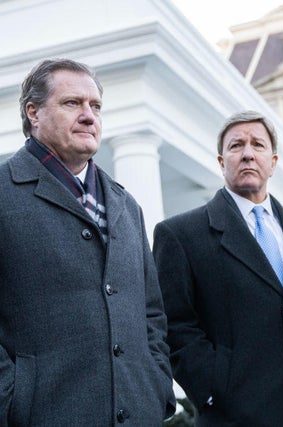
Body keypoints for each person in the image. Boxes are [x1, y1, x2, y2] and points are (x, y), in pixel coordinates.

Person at [152, 110, 283, 426]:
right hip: (237, 415)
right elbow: (175, 325)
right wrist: (211, 388)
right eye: (236, 146)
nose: (247, 153)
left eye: (257, 145)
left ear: (273, 162)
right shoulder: (180, 234)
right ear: (222, 162)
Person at [0, 58, 175, 425]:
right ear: (33, 113)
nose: (88, 115)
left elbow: (151, 312)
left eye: (95, 106)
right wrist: (12, 402)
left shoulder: (126, 204)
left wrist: (157, 386)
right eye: (72, 103)